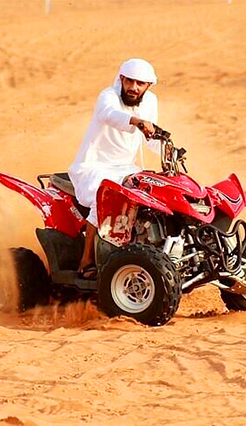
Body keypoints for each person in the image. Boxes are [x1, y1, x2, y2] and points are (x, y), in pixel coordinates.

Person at [69, 58, 162, 279]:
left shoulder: (150, 102)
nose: (133, 88)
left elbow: (151, 138)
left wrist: (168, 151)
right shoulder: (108, 96)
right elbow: (108, 115)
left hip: (126, 168)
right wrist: (136, 121)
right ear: (121, 79)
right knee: (105, 195)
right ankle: (87, 261)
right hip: (93, 168)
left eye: (140, 83)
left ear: (149, 86)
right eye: (129, 81)